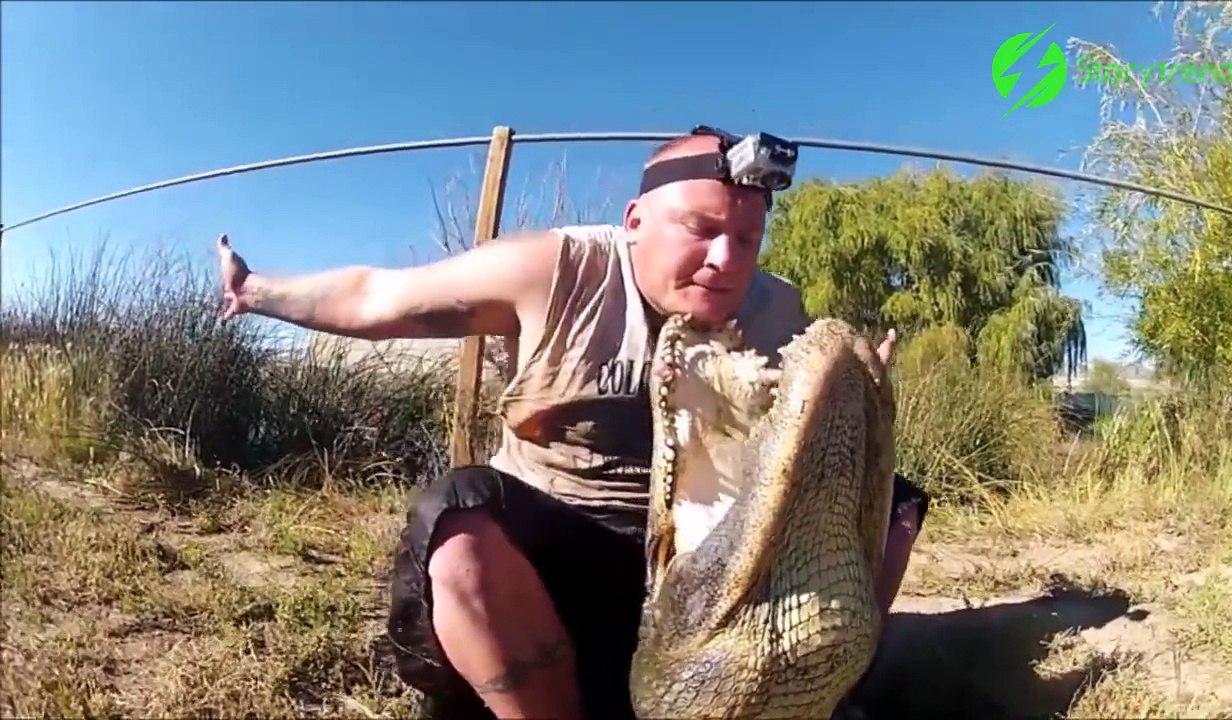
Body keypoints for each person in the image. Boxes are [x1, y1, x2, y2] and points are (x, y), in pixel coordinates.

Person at [216, 127, 930, 720]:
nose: (725, 260)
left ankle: (823, 693)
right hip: (561, 562)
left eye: (747, 238)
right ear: (634, 222)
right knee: (457, 513)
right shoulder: (555, 269)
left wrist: (865, 396)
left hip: (702, 574)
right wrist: (257, 290)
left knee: (894, 498)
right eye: (703, 229)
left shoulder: (780, 308)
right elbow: (378, 297)